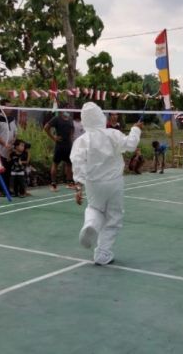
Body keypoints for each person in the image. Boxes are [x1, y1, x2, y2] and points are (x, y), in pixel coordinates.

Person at [70, 102, 142, 265]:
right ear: (100, 116)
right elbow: (131, 145)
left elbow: (78, 163)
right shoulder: (113, 134)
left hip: (93, 184)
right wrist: (136, 129)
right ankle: (103, 253)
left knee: (94, 208)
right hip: (114, 182)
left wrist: (78, 186)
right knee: (113, 218)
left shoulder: (81, 141)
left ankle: (90, 224)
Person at [44, 110, 75, 191]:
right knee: (55, 164)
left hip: (68, 145)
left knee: (69, 164)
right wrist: (54, 137)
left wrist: (71, 140)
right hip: (59, 145)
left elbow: (72, 130)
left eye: (69, 108)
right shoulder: (56, 119)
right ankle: (53, 185)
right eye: (67, 108)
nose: (68, 110)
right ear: (62, 110)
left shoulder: (70, 119)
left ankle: (70, 183)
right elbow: (46, 127)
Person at [0, 100, 17, 194]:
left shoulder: (12, 118)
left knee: (8, 170)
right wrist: (5, 144)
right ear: (2, 107)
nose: (10, 108)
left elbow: (15, 132)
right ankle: (0, 191)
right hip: (1, 150)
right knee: (1, 170)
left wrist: (14, 140)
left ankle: (7, 189)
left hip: (10, 149)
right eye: (8, 106)